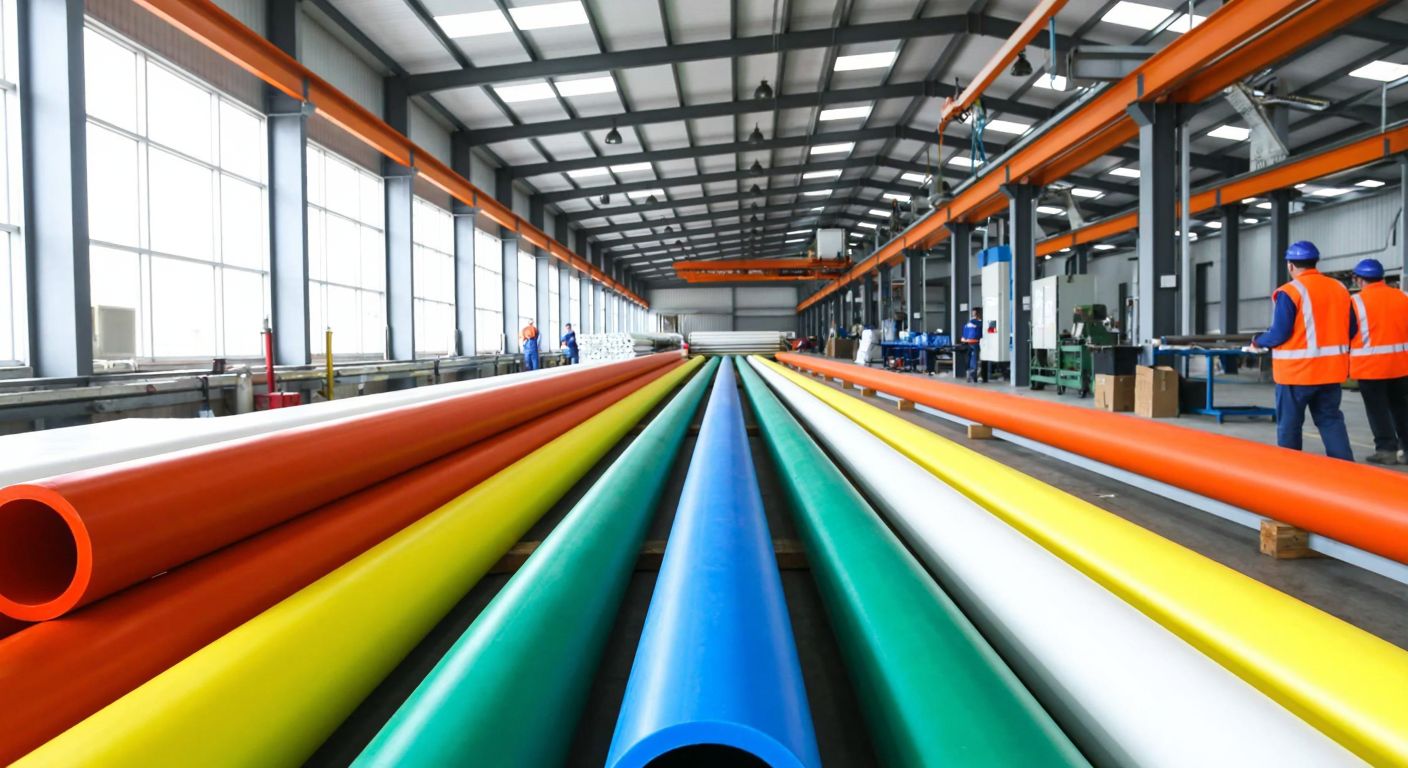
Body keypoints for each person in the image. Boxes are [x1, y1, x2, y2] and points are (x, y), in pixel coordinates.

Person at [1249, 241, 1353, 461]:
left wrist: (1258, 341)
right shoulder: (1339, 288)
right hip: (1331, 373)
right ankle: (1347, 473)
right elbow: (1351, 328)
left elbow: (1279, 334)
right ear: (1315, 262)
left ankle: (1292, 474)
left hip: (1296, 375)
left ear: (1290, 265)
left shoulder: (1291, 291)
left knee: (1290, 426)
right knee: (1331, 421)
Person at [1348, 258, 1408, 464]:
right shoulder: (1403, 297)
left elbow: (1347, 332)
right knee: (1402, 408)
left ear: (1359, 279)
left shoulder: (1355, 302)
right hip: (1401, 365)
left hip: (1370, 367)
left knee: (1378, 410)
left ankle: (1386, 449)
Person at [960, 308, 984, 383]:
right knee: (976, 360)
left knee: (970, 359)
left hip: (968, 343)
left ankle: (970, 375)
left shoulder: (968, 324)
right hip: (976, 343)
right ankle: (974, 376)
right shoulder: (979, 323)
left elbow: (964, 335)